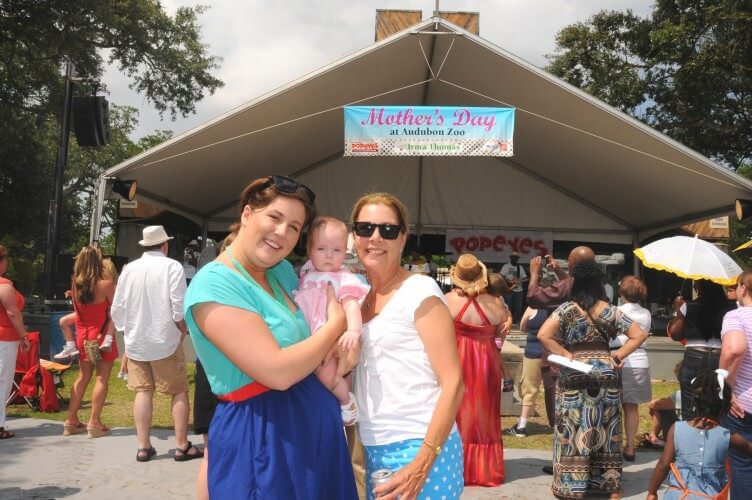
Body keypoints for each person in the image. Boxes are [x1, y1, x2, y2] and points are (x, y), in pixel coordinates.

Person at [184, 175, 357, 498]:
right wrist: (337, 324)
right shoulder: (215, 284)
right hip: (263, 438)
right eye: (275, 218)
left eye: (294, 226)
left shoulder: (281, 272)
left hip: (312, 438)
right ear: (247, 214)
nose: (282, 232)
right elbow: (277, 372)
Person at [351, 192, 465, 500]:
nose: (375, 237)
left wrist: (422, 463)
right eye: (365, 228)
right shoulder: (358, 298)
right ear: (354, 235)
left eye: (387, 230)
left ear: (403, 238)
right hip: (374, 446)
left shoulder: (419, 290)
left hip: (418, 446)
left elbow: (453, 382)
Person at [537, 259, 646, 500]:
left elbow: (543, 334)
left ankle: (571, 486)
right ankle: (609, 486)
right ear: (599, 284)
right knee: (607, 426)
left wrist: (566, 353)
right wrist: (617, 355)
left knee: (572, 425)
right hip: (606, 371)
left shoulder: (566, 309)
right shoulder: (609, 310)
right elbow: (638, 335)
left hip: (575, 368)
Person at [111, 225, 201, 463]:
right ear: (165, 245)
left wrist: (127, 331)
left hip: (137, 341)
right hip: (165, 339)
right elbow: (178, 304)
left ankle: (143, 446)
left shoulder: (129, 269)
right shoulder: (172, 266)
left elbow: (117, 308)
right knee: (179, 390)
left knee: (143, 391)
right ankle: (182, 445)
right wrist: (183, 329)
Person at [294, 216, 369, 425]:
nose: (329, 255)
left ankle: (346, 402)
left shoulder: (343, 278)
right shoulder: (307, 273)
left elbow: (351, 306)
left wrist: (353, 331)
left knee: (327, 376)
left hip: (329, 340)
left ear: (345, 252)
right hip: (307, 340)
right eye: (321, 249)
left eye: (336, 250)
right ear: (309, 250)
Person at [527, 246, 596, 474]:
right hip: (587, 356)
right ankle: (583, 459)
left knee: (558, 411)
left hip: (560, 357)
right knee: (584, 410)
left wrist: (535, 273)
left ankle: (563, 463)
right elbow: (572, 285)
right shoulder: (599, 288)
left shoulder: (567, 288)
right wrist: (560, 273)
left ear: (572, 264)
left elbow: (534, 298)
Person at [445, 253, 506, 486]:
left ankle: (454, 466)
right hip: (486, 361)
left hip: (456, 359)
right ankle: (484, 470)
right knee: (485, 416)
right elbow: (502, 325)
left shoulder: (446, 300)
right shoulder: (495, 303)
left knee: (456, 412)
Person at [646, 368, 752, 500]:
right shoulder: (727, 436)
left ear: (694, 402)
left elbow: (663, 464)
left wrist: (652, 491)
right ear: (724, 406)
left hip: (677, 496)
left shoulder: (677, 429)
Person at [60, 246, 118, 438]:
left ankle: (71, 420)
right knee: (101, 378)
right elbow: (117, 309)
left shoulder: (75, 285)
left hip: (83, 336)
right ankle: (94, 422)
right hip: (101, 336)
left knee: (83, 376)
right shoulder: (106, 284)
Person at [668, 279, 736, 420]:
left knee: (690, 403)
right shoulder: (732, 308)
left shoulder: (688, 306)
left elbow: (675, 334)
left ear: (699, 288)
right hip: (720, 356)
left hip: (694, 355)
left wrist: (677, 310)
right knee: (720, 402)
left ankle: (691, 435)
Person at [612, 276, 652, 461]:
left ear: (622, 292)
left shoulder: (617, 311)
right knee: (632, 407)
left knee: (613, 406)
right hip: (640, 361)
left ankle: (613, 444)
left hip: (619, 358)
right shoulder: (646, 313)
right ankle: (629, 447)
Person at [720, 270, 752, 499]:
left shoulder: (737, 317)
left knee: (743, 466)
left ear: (743, 288)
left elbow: (734, 349)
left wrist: (725, 387)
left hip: (744, 403)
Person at [0, 244, 30, 439]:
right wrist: (23, 336)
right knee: (3, 381)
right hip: (4, 338)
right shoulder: (4, 285)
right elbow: (12, 312)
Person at [506, 304, 549, 438]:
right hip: (554, 352)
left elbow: (523, 327)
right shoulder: (561, 306)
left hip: (533, 351)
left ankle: (521, 426)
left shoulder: (532, 307)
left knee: (529, 389)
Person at [644, 361, 683, 448]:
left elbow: (655, 405)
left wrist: (654, 406)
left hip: (683, 434)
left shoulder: (681, 395)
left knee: (660, 407)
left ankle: (654, 437)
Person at [500, 252, 527, 323]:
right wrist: (509, 282)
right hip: (508, 290)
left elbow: (525, 278)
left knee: (518, 307)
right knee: (508, 306)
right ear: (510, 258)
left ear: (518, 259)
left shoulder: (520, 267)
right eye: (513, 257)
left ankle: (515, 322)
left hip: (519, 290)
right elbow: (501, 277)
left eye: (516, 258)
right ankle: (507, 321)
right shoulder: (506, 266)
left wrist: (519, 281)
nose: (514, 259)